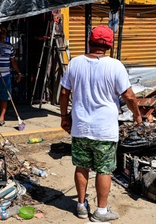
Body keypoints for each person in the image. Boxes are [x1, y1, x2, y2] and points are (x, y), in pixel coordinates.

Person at [58, 25, 141, 222]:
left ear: (89, 40)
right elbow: (129, 96)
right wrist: (137, 115)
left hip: (80, 127)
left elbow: (63, 93)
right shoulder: (115, 66)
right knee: (105, 170)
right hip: (104, 130)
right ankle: (100, 212)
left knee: (81, 167)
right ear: (109, 46)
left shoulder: (75, 63)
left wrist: (63, 117)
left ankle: (80, 206)